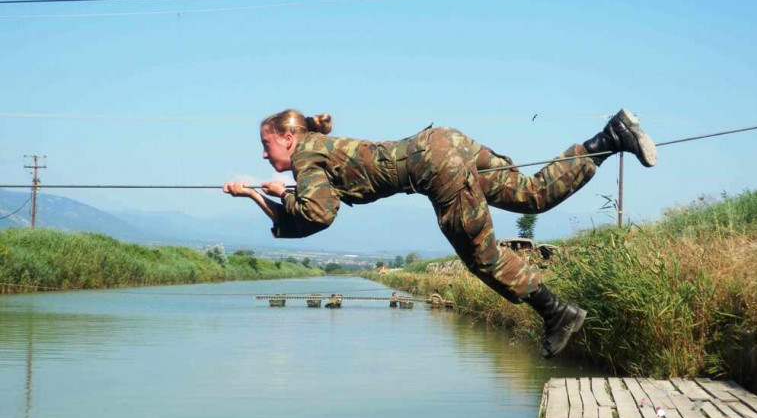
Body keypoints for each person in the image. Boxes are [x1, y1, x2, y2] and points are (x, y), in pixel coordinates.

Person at [223, 108, 656, 358]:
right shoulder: (317, 150)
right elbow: (314, 207)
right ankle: (610, 136)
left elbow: (316, 216)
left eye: (266, 146)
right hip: (444, 141)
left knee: (481, 256)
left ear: (287, 137)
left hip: (436, 166)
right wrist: (259, 196)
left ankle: (558, 312)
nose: (264, 155)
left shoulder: (306, 155)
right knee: (531, 195)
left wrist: (272, 195)